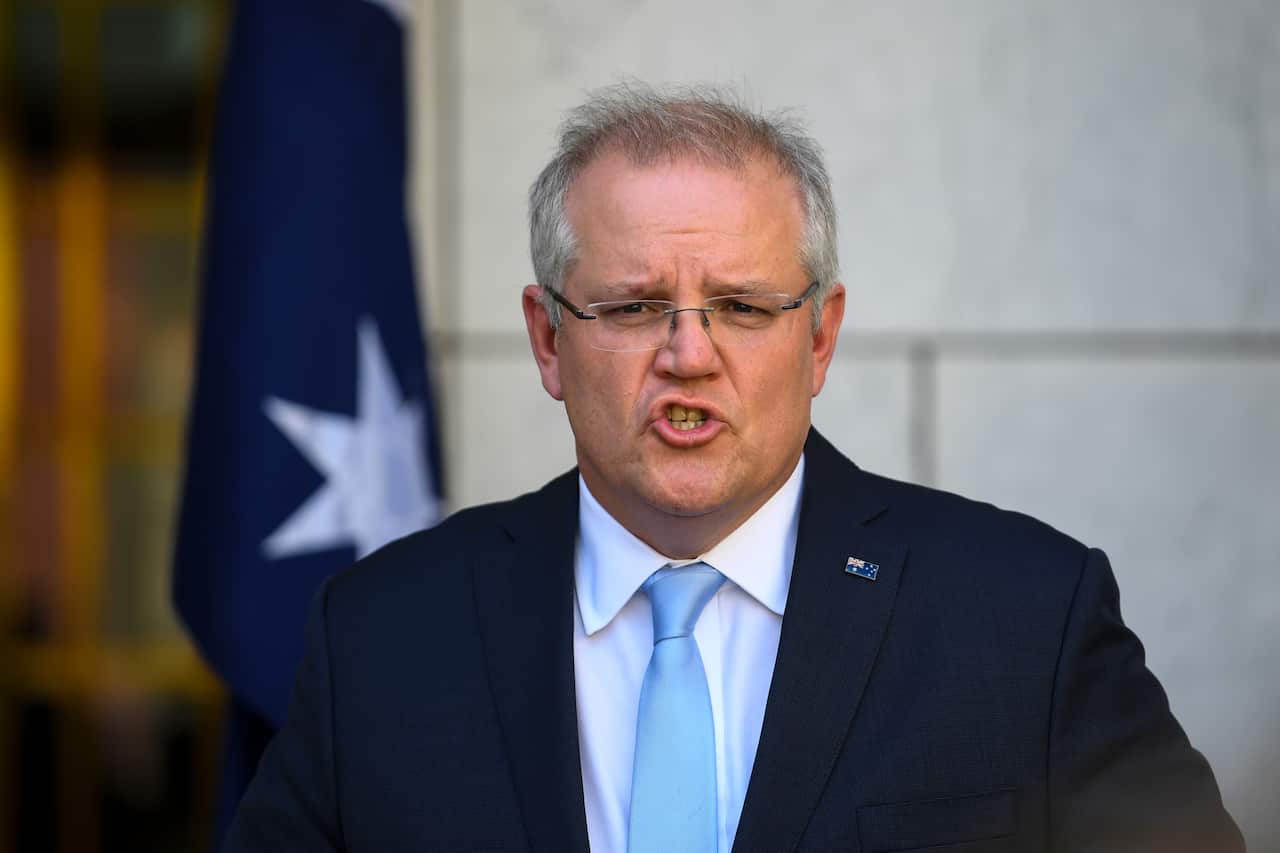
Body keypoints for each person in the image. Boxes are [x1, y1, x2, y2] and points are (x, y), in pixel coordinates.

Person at [224, 83, 1244, 853]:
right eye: (630, 307)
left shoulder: (1024, 621)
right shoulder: (380, 637)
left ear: (818, 340)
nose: (688, 354)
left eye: (743, 307)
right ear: (547, 340)